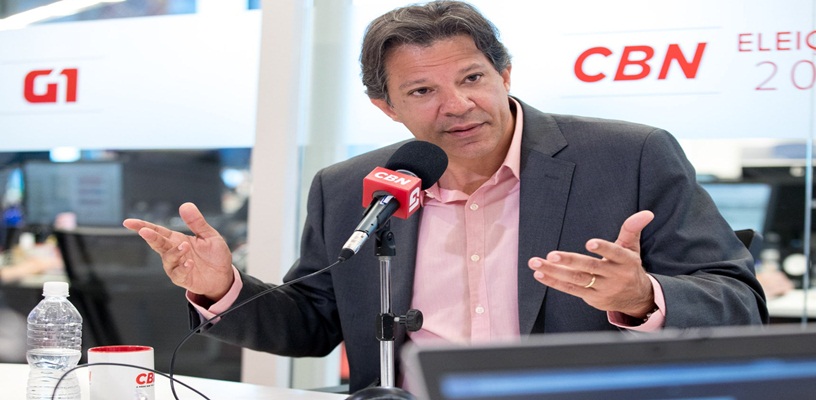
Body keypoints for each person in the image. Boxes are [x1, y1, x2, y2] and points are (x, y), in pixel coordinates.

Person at [123, 0, 766, 392]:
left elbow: (739, 304)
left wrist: (643, 297)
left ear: (505, 74)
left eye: (472, 78)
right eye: (422, 91)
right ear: (386, 106)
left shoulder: (629, 156)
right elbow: (314, 323)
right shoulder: (349, 187)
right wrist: (222, 287)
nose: (457, 105)